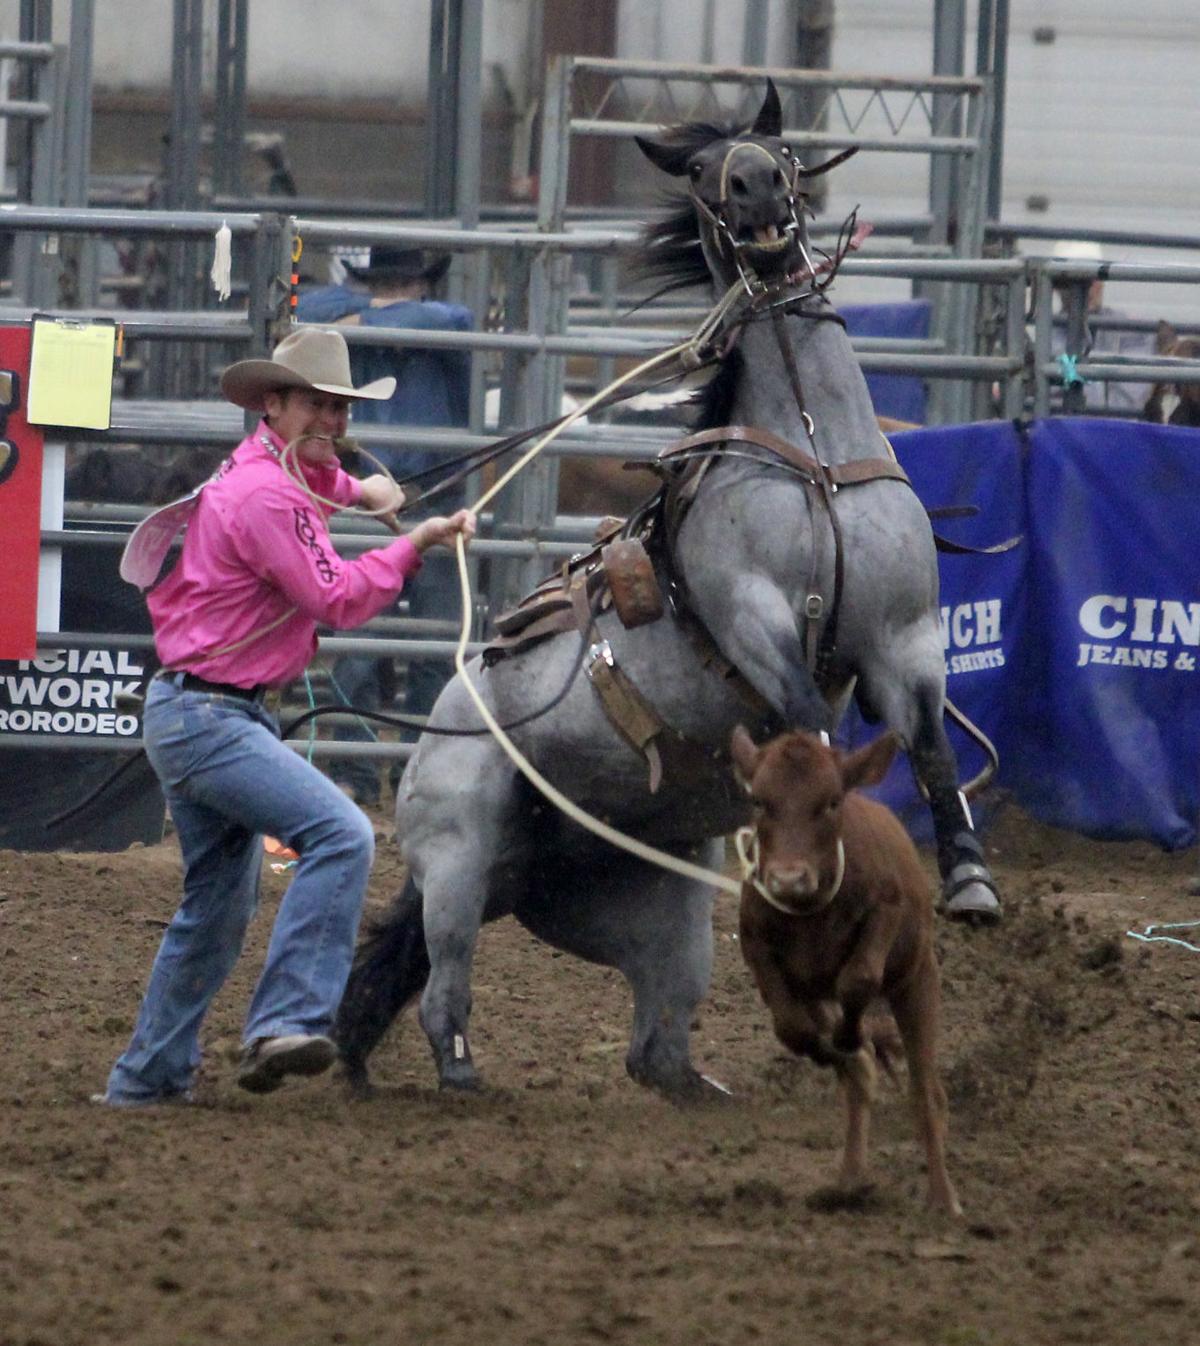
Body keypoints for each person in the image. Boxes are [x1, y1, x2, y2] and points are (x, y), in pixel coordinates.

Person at [95, 327, 476, 1106]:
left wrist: (366, 494)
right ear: (275, 404)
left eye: (339, 409)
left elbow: (326, 490)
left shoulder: (269, 472)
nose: (331, 421)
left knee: (218, 903)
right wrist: (415, 545)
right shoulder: (268, 495)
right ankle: (285, 1022)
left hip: (197, 713)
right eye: (316, 406)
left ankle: (147, 1079)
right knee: (340, 833)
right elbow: (335, 596)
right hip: (211, 719)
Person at [295, 246, 473, 806]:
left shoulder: (437, 326)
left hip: (431, 497)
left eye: (403, 283)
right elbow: (307, 311)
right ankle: (358, 768)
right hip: (366, 499)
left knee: (437, 647)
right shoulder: (350, 322)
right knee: (359, 644)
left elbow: (454, 320)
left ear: (422, 285)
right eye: (382, 283)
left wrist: (366, 316)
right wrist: (377, 309)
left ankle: (423, 773)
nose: (396, 291)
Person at [1050, 239, 1155, 415]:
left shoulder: (1133, 331)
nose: (1086, 288)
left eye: (1092, 277)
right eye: (1073, 280)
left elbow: (1126, 404)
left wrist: (1073, 382)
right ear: (1057, 286)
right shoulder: (1046, 335)